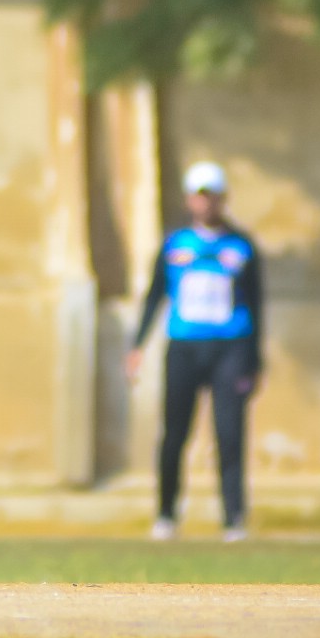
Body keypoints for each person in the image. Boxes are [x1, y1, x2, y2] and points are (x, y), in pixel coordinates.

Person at [125, 160, 264, 543]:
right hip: (184, 348)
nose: (206, 203)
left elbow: (256, 304)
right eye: (199, 195)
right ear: (190, 199)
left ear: (223, 198)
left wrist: (254, 361)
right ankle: (166, 514)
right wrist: (137, 345)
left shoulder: (241, 246)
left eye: (212, 195)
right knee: (174, 433)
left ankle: (233, 518)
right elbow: (155, 295)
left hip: (230, 348)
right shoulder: (175, 245)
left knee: (229, 434)